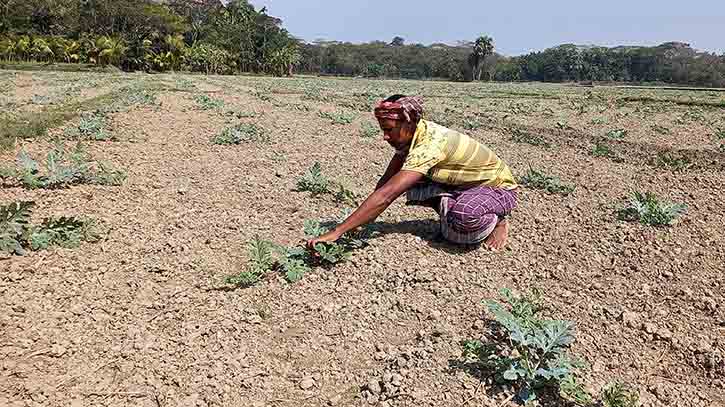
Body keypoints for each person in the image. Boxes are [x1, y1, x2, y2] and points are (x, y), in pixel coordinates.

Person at [307, 95, 519, 251]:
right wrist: (359, 224)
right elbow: (386, 182)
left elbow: (386, 195)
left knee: (463, 218)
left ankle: (498, 218)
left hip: (498, 189)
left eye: (389, 130)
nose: (385, 137)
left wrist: (338, 231)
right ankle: (454, 209)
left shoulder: (430, 145)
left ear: (408, 123)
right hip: (464, 185)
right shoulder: (412, 136)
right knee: (409, 181)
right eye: (383, 130)